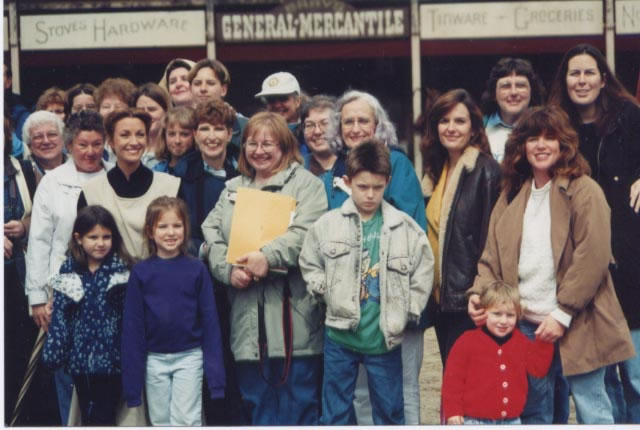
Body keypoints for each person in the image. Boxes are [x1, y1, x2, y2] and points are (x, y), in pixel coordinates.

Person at [467, 105, 635, 424]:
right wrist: (480, 295)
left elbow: (594, 255)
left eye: (550, 137)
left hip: (579, 320)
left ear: (564, 144)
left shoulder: (585, 190)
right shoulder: (511, 195)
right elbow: (490, 258)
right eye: (533, 138)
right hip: (526, 325)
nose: (541, 145)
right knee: (534, 412)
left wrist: (563, 312)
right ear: (522, 146)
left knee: (592, 408)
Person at [202, 112, 327, 425]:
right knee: (256, 402)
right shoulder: (232, 188)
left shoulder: (307, 185)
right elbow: (210, 238)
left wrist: (268, 256)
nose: (259, 150)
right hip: (246, 318)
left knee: (299, 401)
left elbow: (307, 233)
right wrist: (227, 270)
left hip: (293, 315)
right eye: (251, 144)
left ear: (285, 146)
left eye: (268, 143)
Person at [300, 141, 434, 425]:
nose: (370, 194)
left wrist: (409, 308)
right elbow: (309, 262)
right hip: (339, 336)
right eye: (362, 187)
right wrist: (326, 292)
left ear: (388, 181)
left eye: (377, 186)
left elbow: (424, 269)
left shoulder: (405, 228)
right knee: (334, 412)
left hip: (384, 340)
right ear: (348, 183)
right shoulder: (327, 224)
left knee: (390, 411)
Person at [549, 44, 640, 423]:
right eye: (574, 73)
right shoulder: (556, 127)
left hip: (631, 255)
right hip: (584, 262)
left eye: (589, 73)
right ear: (565, 80)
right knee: (598, 376)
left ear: (603, 79)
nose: (582, 81)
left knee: (635, 374)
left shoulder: (630, 117)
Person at [332, 89, 427, 425]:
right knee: (359, 393)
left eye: (363, 121)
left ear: (377, 125)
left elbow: (413, 227)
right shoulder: (335, 169)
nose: (355, 128)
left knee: (401, 391)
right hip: (352, 306)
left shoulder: (397, 162)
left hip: (393, 300)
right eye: (348, 121)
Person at [25, 110, 112, 425]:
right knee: (66, 373)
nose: (90, 152)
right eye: (82, 145)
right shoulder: (53, 181)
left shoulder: (114, 175)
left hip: (106, 290)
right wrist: (37, 297)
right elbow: (39, 241)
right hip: (60, 292)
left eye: (97, 144)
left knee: (103, 377)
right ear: (70, 144)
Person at [122, 196, 225, 426]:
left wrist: (216, 379)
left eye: (177, 225)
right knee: (160, 422)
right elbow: (133, 328)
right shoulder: (141, 273)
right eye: (163, 226)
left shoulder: (197, 269)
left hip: (189, 357)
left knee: (186, 420)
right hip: (154, 359)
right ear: (150, 231)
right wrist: (132, 386)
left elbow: (210, 323)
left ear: (186, 229)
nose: (171, 232)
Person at [420, 88, 502, 366]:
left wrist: (482, 294)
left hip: (472, 301)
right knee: (453, 383)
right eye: (444, 121)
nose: (451, 128)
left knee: (471, 385)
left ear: (474, 128)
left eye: (459, 121)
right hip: (443, 300)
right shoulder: (434, 171)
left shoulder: (487, 171)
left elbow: (492, 240)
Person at [174, 97, 243, 427]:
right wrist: (204, 251)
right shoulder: (182, 174)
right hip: (200, 281)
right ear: (195, 134)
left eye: (219, 129)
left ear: (230, 134)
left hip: (241, 279)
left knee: (238, 364)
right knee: (209, 365)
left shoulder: (242, 170)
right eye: (205, 128)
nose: (212, 136)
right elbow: (177, 231)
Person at [41, 205, 132, 425]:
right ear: (79, 238)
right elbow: (61, 316)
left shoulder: (121, 274)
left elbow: (130, 320)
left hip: (113, 361)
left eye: (106, 237)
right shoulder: (69, 273)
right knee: (87, 412)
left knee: (105, 415)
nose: (100, 243)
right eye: (93, 237)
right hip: (80, 361)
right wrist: (54, 353)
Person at [443, 281, 553, 425]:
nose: (503, 321)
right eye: (497, 314)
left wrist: (544, 340)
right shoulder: (466, 342)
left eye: (510, 315)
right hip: (475, 421)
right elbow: (452, 381)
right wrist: (453, 411)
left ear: (517, 316)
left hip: (512, 421)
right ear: (484, 312)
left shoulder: (522, 342)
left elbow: (538, 369)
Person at [78, 108, 181, 260]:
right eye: (125, 135)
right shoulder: (91, 191)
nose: (134, 142)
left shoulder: (170, 186)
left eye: (140, 135)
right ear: (111, 141)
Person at [3, 117, 41, 425]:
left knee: (18, 353)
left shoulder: (24, 170)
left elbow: (41, 217)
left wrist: (24, 225)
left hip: (18, 276)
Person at [481, 57, 545, 162]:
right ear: (493, 93)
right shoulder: (480, 126)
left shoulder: (545, 126)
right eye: (506, 86)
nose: (514, 92)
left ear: (531, 91)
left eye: (520, 85)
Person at [188, 58, 248, 148]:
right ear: (190, 89)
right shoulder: (184, 125)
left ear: (224, 89)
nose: (203, 88)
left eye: (210, 83)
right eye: (197, 83)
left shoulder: (245, 126)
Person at [301, 95, 346, 208]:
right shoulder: (297, 167)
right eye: (309, 125)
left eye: (325, 123)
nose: (317, 131)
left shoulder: (353, 165)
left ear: (338, 127)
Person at [131, 83, 171, 169]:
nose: (146, 114)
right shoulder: (128, 146)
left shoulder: (173, 149)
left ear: (166, 111)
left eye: (152, 109)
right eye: (140, 110)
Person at [153, 106, 197, 174]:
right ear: (164, 136)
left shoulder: (201, 171)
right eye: (172, 134)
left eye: (184, 134)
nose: (177, 141)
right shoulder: (157, 170)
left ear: (195, 135)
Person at [22, 110, 66, 176]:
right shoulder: (22, 175)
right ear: (29, 145)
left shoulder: (79, 166)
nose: (46, 141)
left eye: (52, 134)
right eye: (38, 137)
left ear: (63, 139)